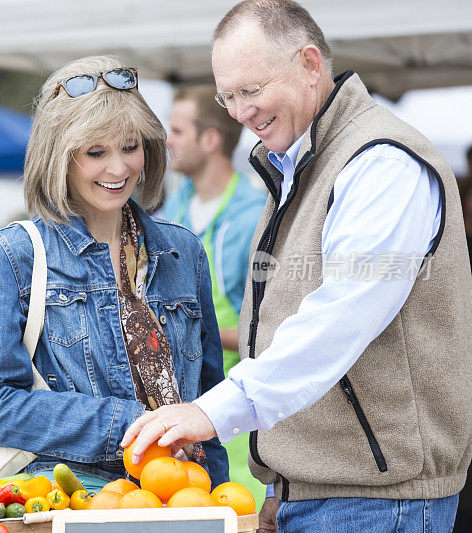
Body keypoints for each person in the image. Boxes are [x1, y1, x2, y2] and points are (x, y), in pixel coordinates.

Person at [123, 1, 472, 531]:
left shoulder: (381, 162)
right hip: (325, 495)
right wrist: (283, 489)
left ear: (310, 64)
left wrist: (213, 412)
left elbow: (343, 316)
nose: (239, 112)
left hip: (378, 501)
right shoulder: (299, 162)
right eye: (228, 96)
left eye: (251, 90)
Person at [0, 55, 229, 491]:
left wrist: (217, 498)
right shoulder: (12, 257)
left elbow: (209, 405)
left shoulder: (183, 251)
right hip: (72, 499)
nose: (119, 168)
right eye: (95, 152)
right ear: (59, 157)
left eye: (130, 146)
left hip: (180, 498)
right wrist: (127, 425)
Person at [160, 84, 266, 509]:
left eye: (178, 130)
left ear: (211, 139)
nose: (167, 140)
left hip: (246, 413)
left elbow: (273, 329)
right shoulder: (170, 211)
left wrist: (197, 334)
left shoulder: (257, 215)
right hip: (185, 410)